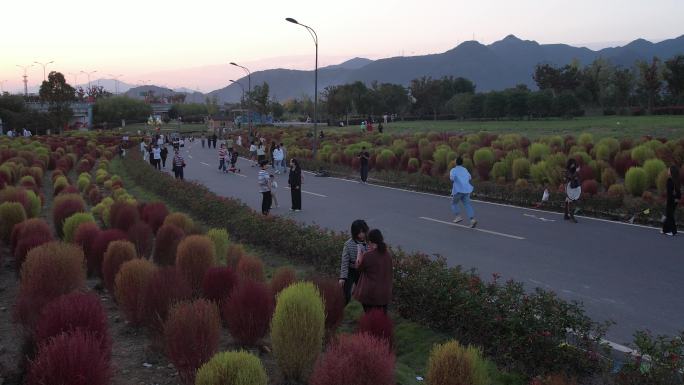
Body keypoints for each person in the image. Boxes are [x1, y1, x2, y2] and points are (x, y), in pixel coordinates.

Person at [353, 229, 392, 313]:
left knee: (370, 318)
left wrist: (359, 252)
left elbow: (358, 267)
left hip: (370, 294)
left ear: (370, 241)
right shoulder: (388, 255)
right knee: (382, 318)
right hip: (384, 294)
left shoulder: (368, 255)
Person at [339, 219, 369, 305]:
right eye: (359, 233)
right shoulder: (348, 244)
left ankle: (368, 315)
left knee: (365, 295)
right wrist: (342, 278)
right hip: (351, 270)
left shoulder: (370, 243)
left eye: (363, 232)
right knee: (345, 294)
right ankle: (339, 311)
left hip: (363, 271)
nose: (361, 235)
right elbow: (344, 262)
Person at [449, 157, 477, 228]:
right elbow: (470, 177)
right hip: (466, 190)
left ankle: (458, 216)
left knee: (454, 203)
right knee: (467, 205)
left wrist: (456, 177)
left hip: (458, 190)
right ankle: (472, 220)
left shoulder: (453, 170)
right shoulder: (465, 169)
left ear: (456, 162)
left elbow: (452, 178)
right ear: (462, 163)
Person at [663, 165, 682, 236]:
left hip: (671, 201)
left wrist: (672, 199)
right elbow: (678, 193)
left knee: (669, 215)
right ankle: (665, 230)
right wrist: (677, 198)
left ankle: (673, 231)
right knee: (668, 214)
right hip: (675, 201)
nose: (667, 171)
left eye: (668, 170)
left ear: (671, 172)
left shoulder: (669, 180)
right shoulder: (676, 181)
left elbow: (669, 193)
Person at [565, 158, 581, 223]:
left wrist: (576, 174)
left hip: (572, 187)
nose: (573, 165)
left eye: (574, 164)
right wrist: (576, 172)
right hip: (570, 188)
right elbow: (571, 177)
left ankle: (566, 215)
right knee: (571, 202)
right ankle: (572, 217)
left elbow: (575, 178)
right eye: (572, 164)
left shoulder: (572, 170)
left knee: (567, 201)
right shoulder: (568, 171)